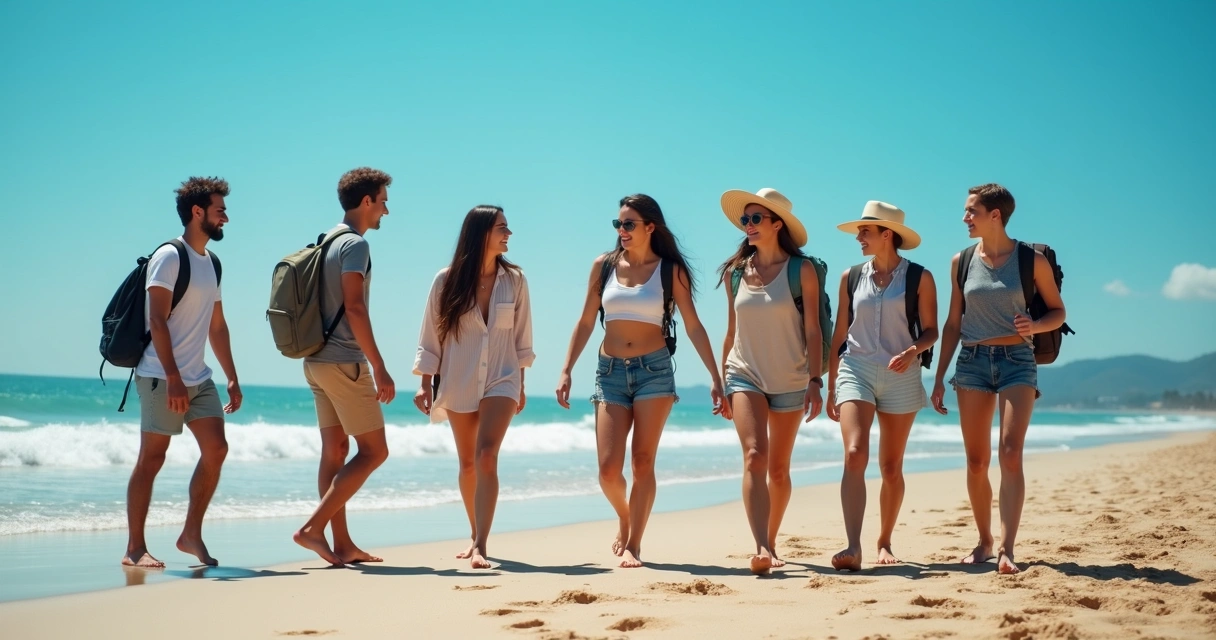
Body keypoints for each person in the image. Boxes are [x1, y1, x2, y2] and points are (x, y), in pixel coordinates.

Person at [556, 194, 725, 568]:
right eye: (618, 224)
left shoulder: (670, 270)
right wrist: (567, 368)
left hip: (655, 371)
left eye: (629, 224)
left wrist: (716, 376)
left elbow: (694, 325)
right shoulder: (603, 266)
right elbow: (586, 321)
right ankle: (624, 515)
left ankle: (634, 544)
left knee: (643, 462)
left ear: (651, 227)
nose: (622, 231)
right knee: (607, 470)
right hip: (610, 371)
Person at [929, 184, 1066, 575]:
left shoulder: (1030, 260)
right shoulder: (962, 261)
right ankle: (985, 541)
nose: (964, 217)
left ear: (996, 215)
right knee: (976, 461)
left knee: (1009, 453)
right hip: (971, 360)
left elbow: (1058, 311)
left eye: (972, 211)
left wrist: (1036, 325)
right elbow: (954, 323)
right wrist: (939, 377)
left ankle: (1007, 548)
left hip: (1017, 360)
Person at [124, 176, 241, 568]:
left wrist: (232, 375)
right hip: (161, 374)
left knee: (217, 448)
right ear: (198, 212)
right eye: (219, 209)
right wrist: (173, 376)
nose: (225, 216)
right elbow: (156, 320)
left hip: (198, 376)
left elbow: (217, 326)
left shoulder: (213, 263)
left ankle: (190, 534)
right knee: (152, 459)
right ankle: (135, 549)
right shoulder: (170, 257)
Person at [413, 206, 534, 569]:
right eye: (502, 228)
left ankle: (481, 544)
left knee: (486, 456)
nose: (509, 233)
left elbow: (521, 336)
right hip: (459, 379)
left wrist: (521, 383)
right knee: (468, 464)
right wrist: (424, 383)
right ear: (481, 233)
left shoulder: (516, 281)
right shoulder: (445, 281)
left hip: (503, 377)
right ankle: (473, 532)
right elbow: (431, 336)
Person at [716, 188, 823, 575]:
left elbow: (812, 329)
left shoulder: (802, 270)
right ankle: (760, 544)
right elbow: (731, 331)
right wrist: (719, 377)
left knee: (778, 469)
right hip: (744, 372)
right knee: (754, 456)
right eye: (745, 219)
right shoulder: (734, 274)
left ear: (777, 224)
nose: (748, 225)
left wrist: (815, 379)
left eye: (756, 218)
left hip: (792, 376)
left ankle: (772, 538)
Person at [826, 201, 938, 571]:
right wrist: (830, 386)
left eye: (865, 231)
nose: (858, 238)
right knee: (855, 452)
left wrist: (913, 350)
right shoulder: (851, 276)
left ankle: (885, 541)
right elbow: (839, 333)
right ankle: (853, 545)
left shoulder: (920, 278)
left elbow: (933, 330)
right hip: (855, 369)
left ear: (886, 234)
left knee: (891, 467)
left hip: (902, 374)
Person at [293, 167, 396, 566]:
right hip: (343, 362)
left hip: (315, 361)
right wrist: (380, 365)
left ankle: (342, 545)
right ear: (366, 201)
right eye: (383, 201)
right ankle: (312, 529)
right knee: (374, 451)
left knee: (334, 451)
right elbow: (353, 306)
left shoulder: (324, 241)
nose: (386, 211)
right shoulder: (355, 245)